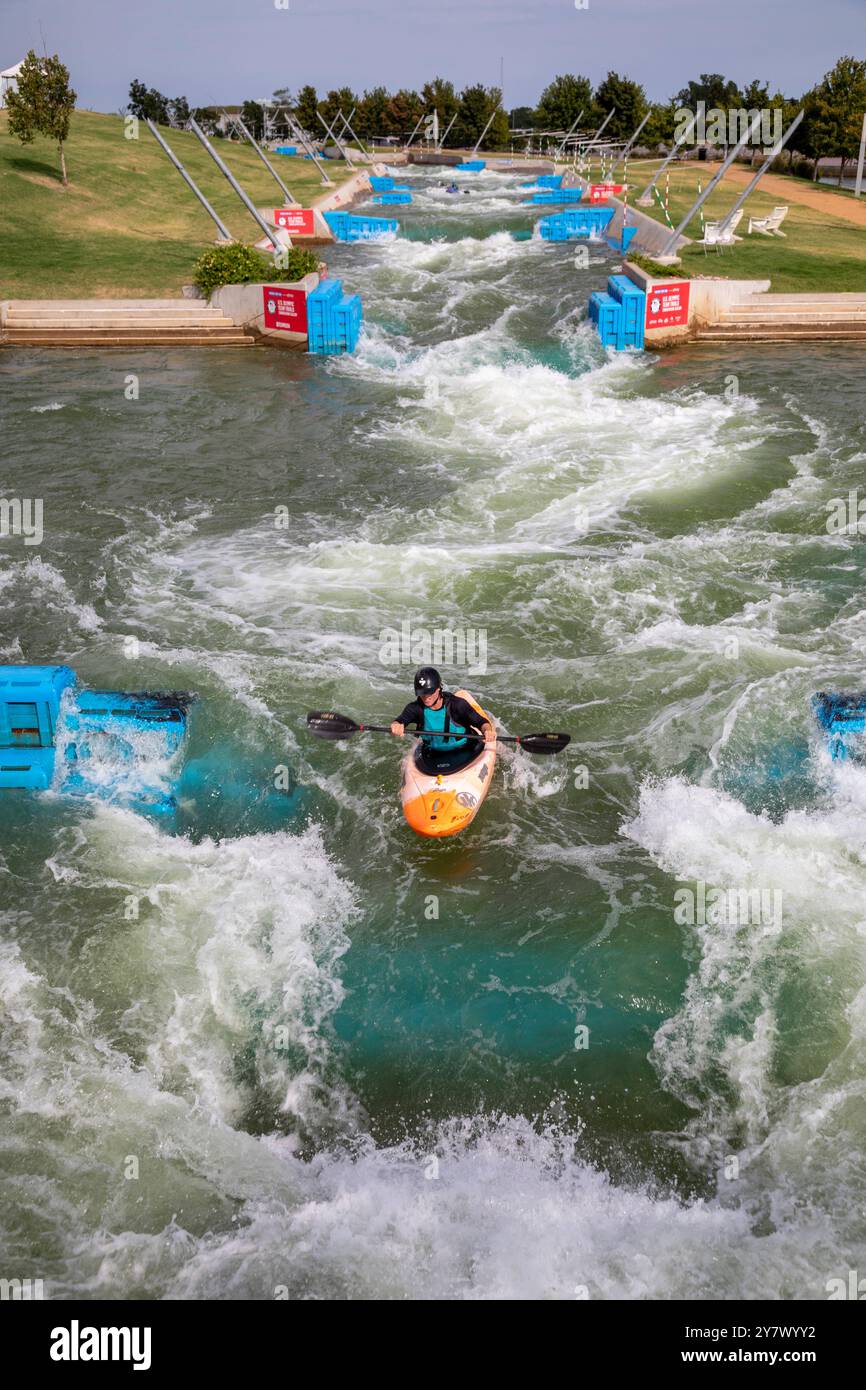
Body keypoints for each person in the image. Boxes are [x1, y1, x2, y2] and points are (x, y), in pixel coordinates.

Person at [391, 668, 495, 763]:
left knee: (501, 750)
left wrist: (487, 731)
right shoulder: (415, 708)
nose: (426, 697)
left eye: (429, 692)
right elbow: (399, 721)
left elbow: (481, 722)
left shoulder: (457, 705)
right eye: (422, 693)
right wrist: (396, 725)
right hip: (433, 753)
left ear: (439, 688)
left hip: (465, 749)